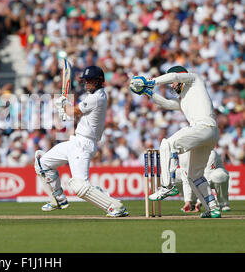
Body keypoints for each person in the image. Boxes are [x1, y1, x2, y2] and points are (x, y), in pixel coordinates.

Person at [35, 65, 129, 217]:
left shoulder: (97, 97)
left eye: (90, 80)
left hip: (83, 145)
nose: (86, 83)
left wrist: (63, 104)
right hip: (76, 141)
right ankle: (58, 199)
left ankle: (115, 206)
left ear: (99, 81)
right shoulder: (95, 96)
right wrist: (65, 107)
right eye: (85, 81)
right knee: (42, 163)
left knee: (79, 186)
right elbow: (74, 114)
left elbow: (72, 111)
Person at [130, 65, 221, 218]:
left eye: (172, 83)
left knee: (167, 144)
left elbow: (175, 77)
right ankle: (213, 208)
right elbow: (167, 104)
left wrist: (149, 81)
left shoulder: (195, 80)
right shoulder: (184, 98)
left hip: (203, 127)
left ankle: (167, 185)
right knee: (195, 175)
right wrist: (148, 92)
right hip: (209, 134)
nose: (171, 86)